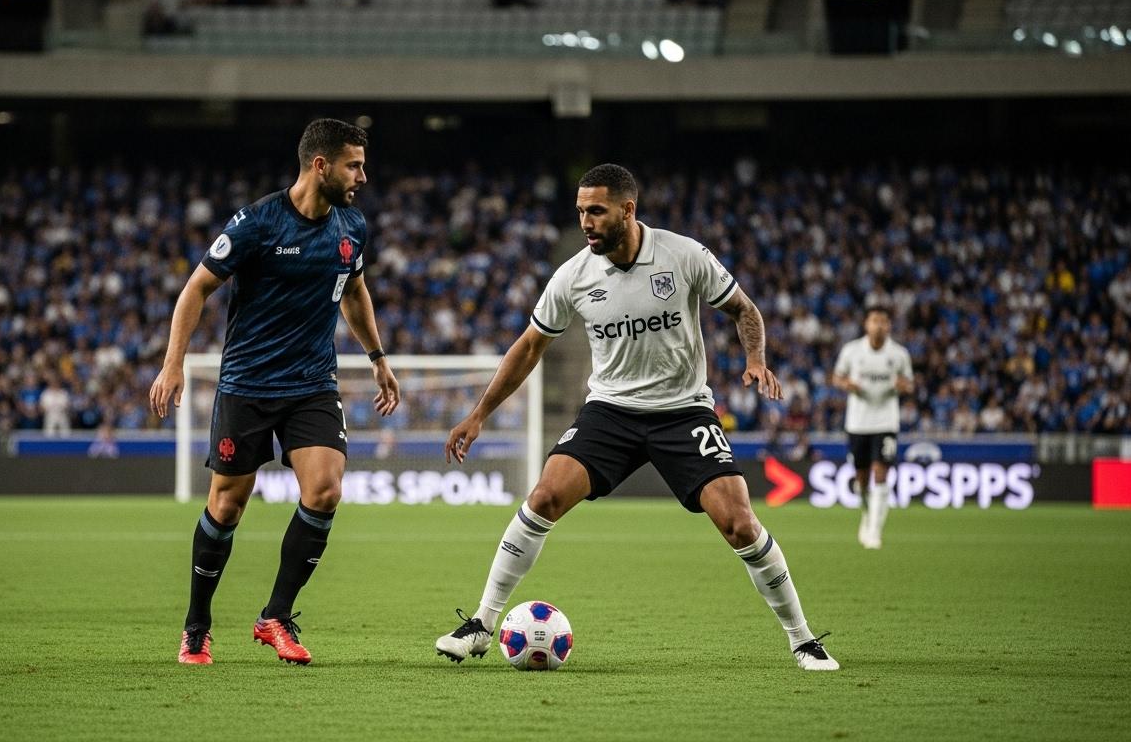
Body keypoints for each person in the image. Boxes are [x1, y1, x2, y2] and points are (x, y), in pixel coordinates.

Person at [434, 164, 839, 670]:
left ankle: (802, 639)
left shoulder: (683, 254)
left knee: (739, 524)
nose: (586, 222)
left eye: (596, 211)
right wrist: (479, 414)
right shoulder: (574, 276)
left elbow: (744, 310)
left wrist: (755, 360)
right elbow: (530, 345)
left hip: (683, 411)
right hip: (611, 411)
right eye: (580, 211)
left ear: (628, 210)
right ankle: (481, 624)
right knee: (543, 497)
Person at [149, 118, 400, 666]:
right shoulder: (257, 224)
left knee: (326, 489)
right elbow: (196, 289)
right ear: (320, 165)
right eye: (353, 165)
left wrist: (378, 358)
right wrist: (174, 364)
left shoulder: (352, 226)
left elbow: (354, 290)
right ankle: (197, 626)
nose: (363, 175)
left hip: (312, 384)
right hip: (248, 386)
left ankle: (275, 617)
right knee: (227, 505)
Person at [831, 305, 914, 549]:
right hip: (857, 423)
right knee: (862, 480)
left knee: (881, 473)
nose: (879, 325)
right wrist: (847, 384)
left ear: (889, 326)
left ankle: (875, 530)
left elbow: (909, 383)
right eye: (875, 320)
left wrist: (903, 386)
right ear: (866, 324)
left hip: (886, 421)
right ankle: (867, 513)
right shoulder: (852, 351)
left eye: (883, 321)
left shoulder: (898, 354)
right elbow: (837, 377)